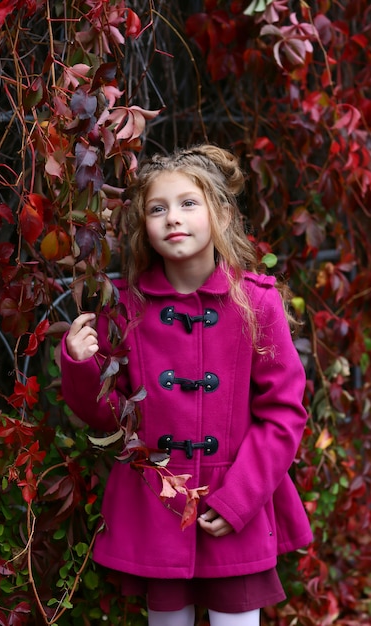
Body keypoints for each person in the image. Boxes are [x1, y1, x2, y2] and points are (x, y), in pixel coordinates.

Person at [60, 144, 313, 626]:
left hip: (238, 500)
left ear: (219, 212)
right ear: (144, 227)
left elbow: (283, 415)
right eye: (158, 209)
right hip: (157, 504)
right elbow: (108, 418)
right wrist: (81, 365)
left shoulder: (257, 304)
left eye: (188, 204)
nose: (173, 218)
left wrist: (238, 498)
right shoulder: (126, 310)